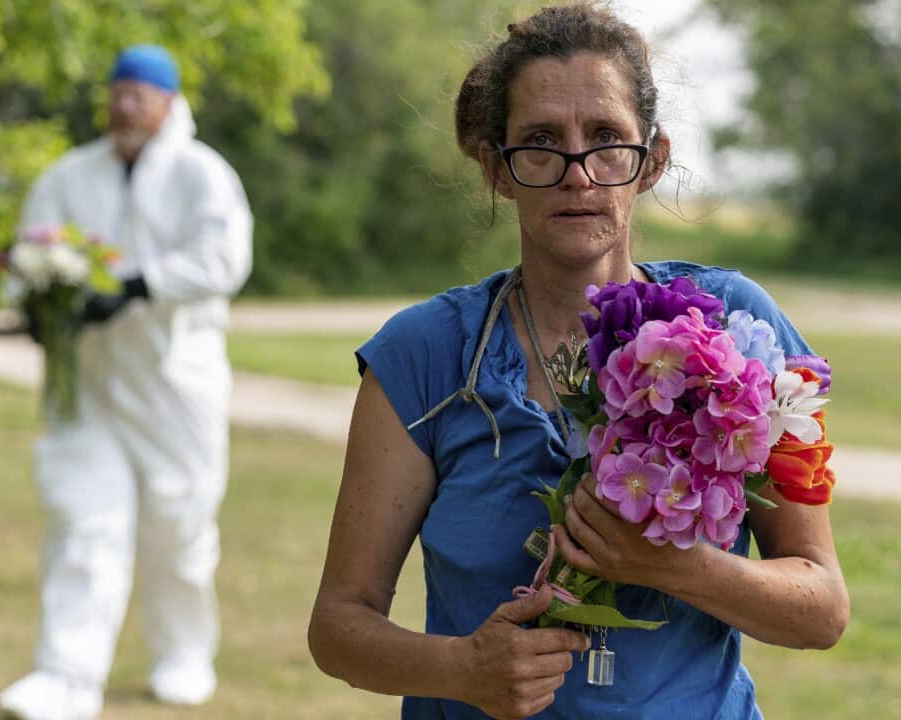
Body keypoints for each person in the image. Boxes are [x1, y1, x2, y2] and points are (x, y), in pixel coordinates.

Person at [308, 4, 849, 719]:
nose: (577, 174)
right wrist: (463, 669)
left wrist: (674, 566)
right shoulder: (425, 356)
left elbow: (822, 608)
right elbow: (339, 625)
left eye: (605, 139)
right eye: (540, 142)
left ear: (651, 160)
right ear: (497, 169)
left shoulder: (739, 332)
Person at [0, 45, 253, 720]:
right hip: (86, 383)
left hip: (175, 384)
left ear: (168, 102)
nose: (125, 106)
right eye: (117, 93)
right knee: (83, 522)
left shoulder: (202, 173)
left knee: (179, 526)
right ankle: (65, 677)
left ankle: (183, 655)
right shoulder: (68, 174)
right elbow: (30, 251)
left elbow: (225, 259)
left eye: (139, 94)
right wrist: (39, 308)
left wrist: (140, 285)